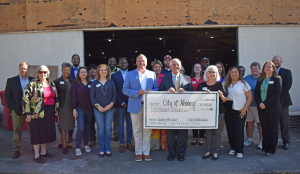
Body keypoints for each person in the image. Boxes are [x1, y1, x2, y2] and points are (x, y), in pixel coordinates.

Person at [123, 54, 159, 162]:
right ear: (136, 62)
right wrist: (137, 92)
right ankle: (138, 152)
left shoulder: (152, 74)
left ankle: (146, 152)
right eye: (140, 61)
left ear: (146, 63)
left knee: (147, 130)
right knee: (137, 130)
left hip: (148, 106)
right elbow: (124, 90)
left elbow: (157, 87)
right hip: (135, 106)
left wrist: (153, 91)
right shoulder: (130, 74)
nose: (141, 63)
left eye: (143, 61)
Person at [159, 58, 193, 162]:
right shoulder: (165, 79)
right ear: (170, 66)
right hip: (169, 112)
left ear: (181, 65)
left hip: (183, 112)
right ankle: (172, 153)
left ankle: (181, 154)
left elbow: (192, 92)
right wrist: (166, 91)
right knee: (170, 135)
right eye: (173, 64)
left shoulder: (187, 78)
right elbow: (159, 93)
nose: (175, 66)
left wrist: (185, 91)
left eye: (177, 64)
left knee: (183, 135)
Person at [22, 65, 59, 163]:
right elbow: (26, 99)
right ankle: (36, 155)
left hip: (50, 111)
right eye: (40, 72)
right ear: (37, 74)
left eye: (45, 72)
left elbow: (56, 97)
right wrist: (28, 113)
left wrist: (56, 110)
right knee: (37, 133)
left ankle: (43, 152)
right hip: (36, 113)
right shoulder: (32, 84)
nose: (43, 74)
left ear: (48, 73)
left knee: (46, 132)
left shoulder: (51, 83)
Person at [197, 65, 227, 160]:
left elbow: (225, 100)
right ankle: (208, 150)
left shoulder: (220, 85)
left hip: (218, 112)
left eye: (214, 72)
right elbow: (196, 99)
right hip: (206, 113)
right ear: (206, 73)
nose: (212, 74)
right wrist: (202, 95)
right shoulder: (201, 85)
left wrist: (221, 95)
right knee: (208, 132)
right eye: (210, 72)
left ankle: (216, 151)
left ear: (217, 73)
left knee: (217, 132)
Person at [5, 62, 34, 159]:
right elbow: (7, 96)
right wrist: (11, 107)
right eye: (21, 68)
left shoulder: (33, 80)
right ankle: (16, 149)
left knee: (33, 129)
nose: (23, 70)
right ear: (19, 69)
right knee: (17, 130)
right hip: (17, 110)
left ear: (28, 70)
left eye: (25, 69)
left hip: (31, 111)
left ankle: (35, 147)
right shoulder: (11, 81)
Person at [223, 66, 253, 158]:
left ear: (239, 73)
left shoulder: (243, 83)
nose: (234, 73)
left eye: (236, 72)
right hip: (228, 108)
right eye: (232, 72)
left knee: (239, 130)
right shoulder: (226, 84)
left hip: (240, 109)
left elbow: (250, 97)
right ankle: (233, 147)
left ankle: (239, 150)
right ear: (229, 74)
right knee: (230, 129)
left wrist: (244, 109)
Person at [255, 61, 282, 156]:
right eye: (266, 66)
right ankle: (264, 147)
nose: (267, 68)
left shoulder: (277, 79)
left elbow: (276, 94)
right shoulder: (260, 79)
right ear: (263, 69)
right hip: (261, 109)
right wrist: (260, 103)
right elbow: (256, 93)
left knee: (273, 129)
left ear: (273, 69)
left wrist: (265, 104)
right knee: (264, 129)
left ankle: (271, 149)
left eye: (270, 66)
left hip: (273, 109)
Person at [90, 64, 116, 157]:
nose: (103, 71)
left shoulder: (111, 82)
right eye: (101, 70)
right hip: (98, 109)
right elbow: (92, 96)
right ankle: (101, 148)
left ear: (107, 71)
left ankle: (108, 148)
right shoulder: (94, 83)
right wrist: (98, 106)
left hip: (110, 109)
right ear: (98, 72)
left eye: (105, 70)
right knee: (100, 130)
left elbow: (114, 95)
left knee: (108, 129)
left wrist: (110, 105)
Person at [111, 57, 134, 153]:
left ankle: (129, 142)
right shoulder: (114, 75)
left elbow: (134, 88)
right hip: (120, 105)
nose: (123, 64)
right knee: (120, 124)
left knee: (130, 124)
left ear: (127, 64)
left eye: (125, 62)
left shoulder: (132, 74)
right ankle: (121, 143)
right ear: (118, 65)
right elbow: (114, 91)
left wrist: (130, 102)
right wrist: (122, 102)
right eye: (121, 63)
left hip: (131, 103)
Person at [272, 55, 293, 150]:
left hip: (283, 101)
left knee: (284, 122)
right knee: (273, 123)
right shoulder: (269, 73)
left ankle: (286, 141)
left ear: (281, 62)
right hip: (272, 103)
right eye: (274, 61)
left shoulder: (287, 72)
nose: (276, 62)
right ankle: (273, 142)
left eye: (277, 60)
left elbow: (287, 86)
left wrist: (276, 96)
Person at [53, 63, 75, 155]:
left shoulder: (72, 81)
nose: (67, 72)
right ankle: (64, 145)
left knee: (69, 125)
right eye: (65, 70)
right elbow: (54, 96)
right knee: (62, 126)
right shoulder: (57, 82)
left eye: (68, 70)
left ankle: (61, 142)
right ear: (62, 71)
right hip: (62, 107)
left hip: (71, 107)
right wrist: (55, 108)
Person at [71, 67, 93, 156]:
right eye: (81, 72)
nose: (83, 73)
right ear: (79, 74)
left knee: (87, 128)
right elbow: (73, 97)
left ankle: (86, 145)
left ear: (87, 73)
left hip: (89, 109)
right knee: (80, 129)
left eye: (85, 72)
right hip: (79, 109)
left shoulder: (91, 83)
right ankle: (78, 147)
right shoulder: (75, 84)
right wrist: (74, 109)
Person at [243, 62, 263, 149]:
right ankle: (249, 139)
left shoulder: (263, 78)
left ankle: (262, 141)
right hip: (249, 106)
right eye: (252, 68)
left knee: (260, 124)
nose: (254, 70)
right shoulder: (246, 78)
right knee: (249, 123)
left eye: (256, 68)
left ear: (259, 69)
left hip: (259, 106)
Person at [149, 60, 167, 151]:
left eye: (159, 67)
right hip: (153, 105)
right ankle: (154, 146)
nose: (158, 69)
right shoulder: (149, 78)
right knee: (154, 124)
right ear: (152, 68)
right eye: (156, 67)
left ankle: (164, 145)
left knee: (164, 124)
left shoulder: (165, 77)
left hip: (164, 104)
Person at [190, 63, 205, 146]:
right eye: (195, 67)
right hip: (192, 103)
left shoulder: (204, 78)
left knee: (201, 121)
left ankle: (202, 138)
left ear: (201, 69)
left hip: (202, 103)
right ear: (193, 69)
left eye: (199, 67)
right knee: (194, 121)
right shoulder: (190, 78)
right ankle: (195, 137)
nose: (197, 68)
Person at [68, 54, 81, 143]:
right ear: (72, 60)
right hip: (71, 95)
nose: (76, 60)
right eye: (74, 59)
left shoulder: (83, 69)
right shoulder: (69, 70)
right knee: (70, 118)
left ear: (79, 60)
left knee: (81, 117)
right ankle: (69, 136)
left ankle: (82, 134)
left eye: (77, 59)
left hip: (81, 96)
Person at [108, 57, 119, 141]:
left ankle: (116, 134)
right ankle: (108, 133)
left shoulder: (119, 70)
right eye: (110, 61)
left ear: (116, 63)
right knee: (108, 117)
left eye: (113, 61)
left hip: (116, 96)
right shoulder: (105, 70)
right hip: (107, 97)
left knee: (116, 117)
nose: (112, 62)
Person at [215, 62, 226, 147]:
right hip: (214, 106)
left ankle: (220, 141)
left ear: (222, 68)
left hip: (224, 104)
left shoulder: (225, 79)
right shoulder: (211, 78)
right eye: (216, 67)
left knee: (221, 125)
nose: (218, 69)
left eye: (220, 67)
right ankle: (213, 141)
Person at [87, 64, 98, 147]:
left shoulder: (100, 80)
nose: (92, 70)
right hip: (89, 106)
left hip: (99, 106)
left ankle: (102, 139)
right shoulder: (86, 81)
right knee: (90, 123)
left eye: (94, 69)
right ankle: (92, 139)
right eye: (90, 69)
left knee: (101, 123)